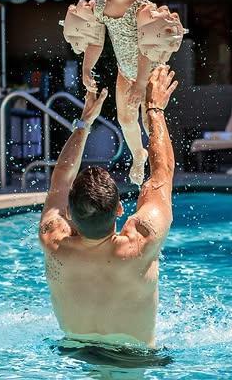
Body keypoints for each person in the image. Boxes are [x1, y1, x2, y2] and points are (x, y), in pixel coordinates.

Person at [38, 66, 179, 349]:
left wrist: (84, 122)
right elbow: (161, 174)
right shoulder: (141, 243)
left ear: (70, 215)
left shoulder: (53, 240)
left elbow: (59, 182)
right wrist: (154, 109)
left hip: (77, 354)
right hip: (134, 361)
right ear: (118, 210)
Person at [60, 0, 184, 186]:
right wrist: (86, 68)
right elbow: (96, 41)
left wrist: (141, 83)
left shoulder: (143, 9)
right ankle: (139, 155)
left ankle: (160, 166)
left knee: (150, 119)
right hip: (126, 72)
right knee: (126, 119)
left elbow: (144, 50)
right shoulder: (101, 6)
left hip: (148, 71)